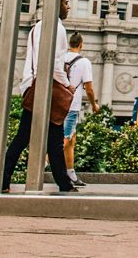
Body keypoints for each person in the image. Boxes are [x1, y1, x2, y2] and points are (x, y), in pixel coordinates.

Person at [2, 0, 76, 194]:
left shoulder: (37, 27)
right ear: (56, 4)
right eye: (65, 2)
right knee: (54, 137)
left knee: (25, 137)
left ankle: (4, 180)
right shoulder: (57, 28)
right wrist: (68, 86)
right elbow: (55, 63)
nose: (68, 6)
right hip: (46, 88)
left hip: (32, 85)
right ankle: (64, 183)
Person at [62, 31, 99, 188]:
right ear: (81, 44)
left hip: (58, 104)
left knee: (71, 140)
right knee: (64, 139)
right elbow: (89, 88)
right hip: (72, 106)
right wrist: (94, 105)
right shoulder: (84, 62)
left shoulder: (61, 58)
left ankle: (71, 173)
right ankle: (42, 164)